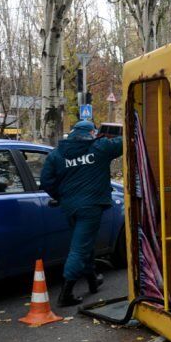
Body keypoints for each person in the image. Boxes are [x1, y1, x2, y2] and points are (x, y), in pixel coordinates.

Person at [41, 120, 124, 306]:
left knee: (84, 242)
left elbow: (46, 181)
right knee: (80, 248)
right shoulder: (100, 147)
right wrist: (112, 135)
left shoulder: (57, 155)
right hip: (91, 206)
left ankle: (93, 279)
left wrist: (61, 196)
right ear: (91, 133)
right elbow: (126, 142)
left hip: (70, 206)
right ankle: (66, 294)